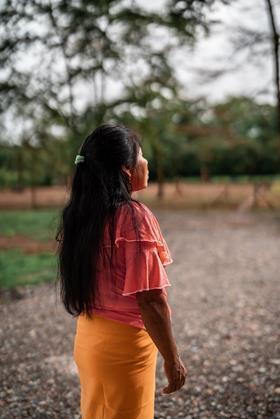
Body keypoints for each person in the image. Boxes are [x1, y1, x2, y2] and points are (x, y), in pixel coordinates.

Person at [55, 123, 187, 419]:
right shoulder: (133, 217)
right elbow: (151, 300)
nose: (147, 164)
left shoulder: (80, 215)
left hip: (90, 338)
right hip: (124, 350)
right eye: (142, 157)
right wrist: (172, 358)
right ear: (126, 169)